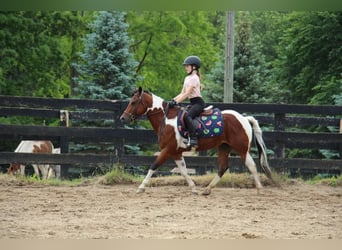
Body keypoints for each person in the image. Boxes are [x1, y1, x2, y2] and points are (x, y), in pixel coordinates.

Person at [169, 55, 205, 147]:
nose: (186, 68)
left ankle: (194, 138)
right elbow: (182, 93)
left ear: (194, 67)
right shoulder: (187, 78)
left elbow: (187, 94)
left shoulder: (195, 78)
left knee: (188, 116)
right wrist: (173, 100)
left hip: (198, 103)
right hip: (193, 103)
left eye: (187, 66)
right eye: (186, 66)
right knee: (183, 115)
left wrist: (176, 102)